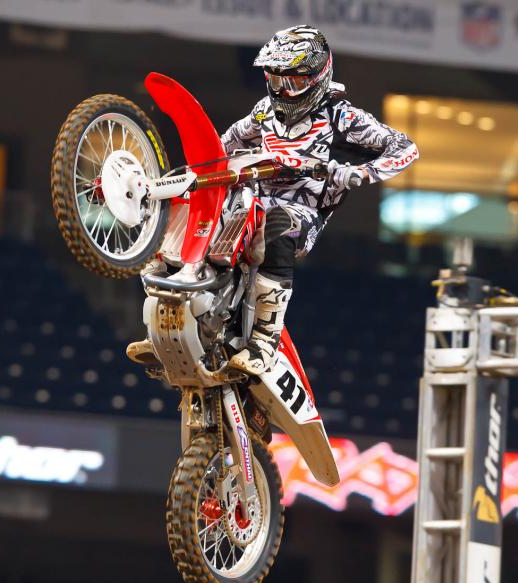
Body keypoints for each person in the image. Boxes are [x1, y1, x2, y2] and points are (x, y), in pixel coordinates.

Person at [128, 24, 419, 374]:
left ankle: (265, 339)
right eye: (276, 79)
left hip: (302, 210)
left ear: (318, 76)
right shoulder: (264, 110)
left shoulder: (343, 117)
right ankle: (159, 326)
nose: (283, 89)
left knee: (278, 225)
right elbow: (222, 145)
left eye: (293, 81)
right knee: (185, 209)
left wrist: (359, 172)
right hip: (250, 196)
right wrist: (194, 175)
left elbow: (405, 148)